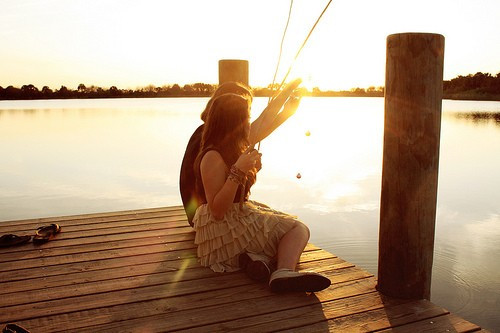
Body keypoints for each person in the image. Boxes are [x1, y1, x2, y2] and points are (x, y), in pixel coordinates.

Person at [192, 93, 331, 293]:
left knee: (278, 225)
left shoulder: (234, 147)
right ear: (233, 122)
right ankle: (283, 272)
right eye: (246, 118)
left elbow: (267, 123)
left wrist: (252, 169)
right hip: (221, 230)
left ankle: (254, 259)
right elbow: (217, 210)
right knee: (298, 229)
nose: (249, 123)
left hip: (232, 221)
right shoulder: (212, 156)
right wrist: (239, 170)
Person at [179, 79, 301, 227]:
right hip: (206, 219)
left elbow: (257, 129)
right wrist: (287, 91)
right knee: (293, 227)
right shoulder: (210, 138)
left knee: (271, 213)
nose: (246, 119)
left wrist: (287, 112)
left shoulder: (211, 133)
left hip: (207, 213)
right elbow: (260, 126)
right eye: (244, 111)